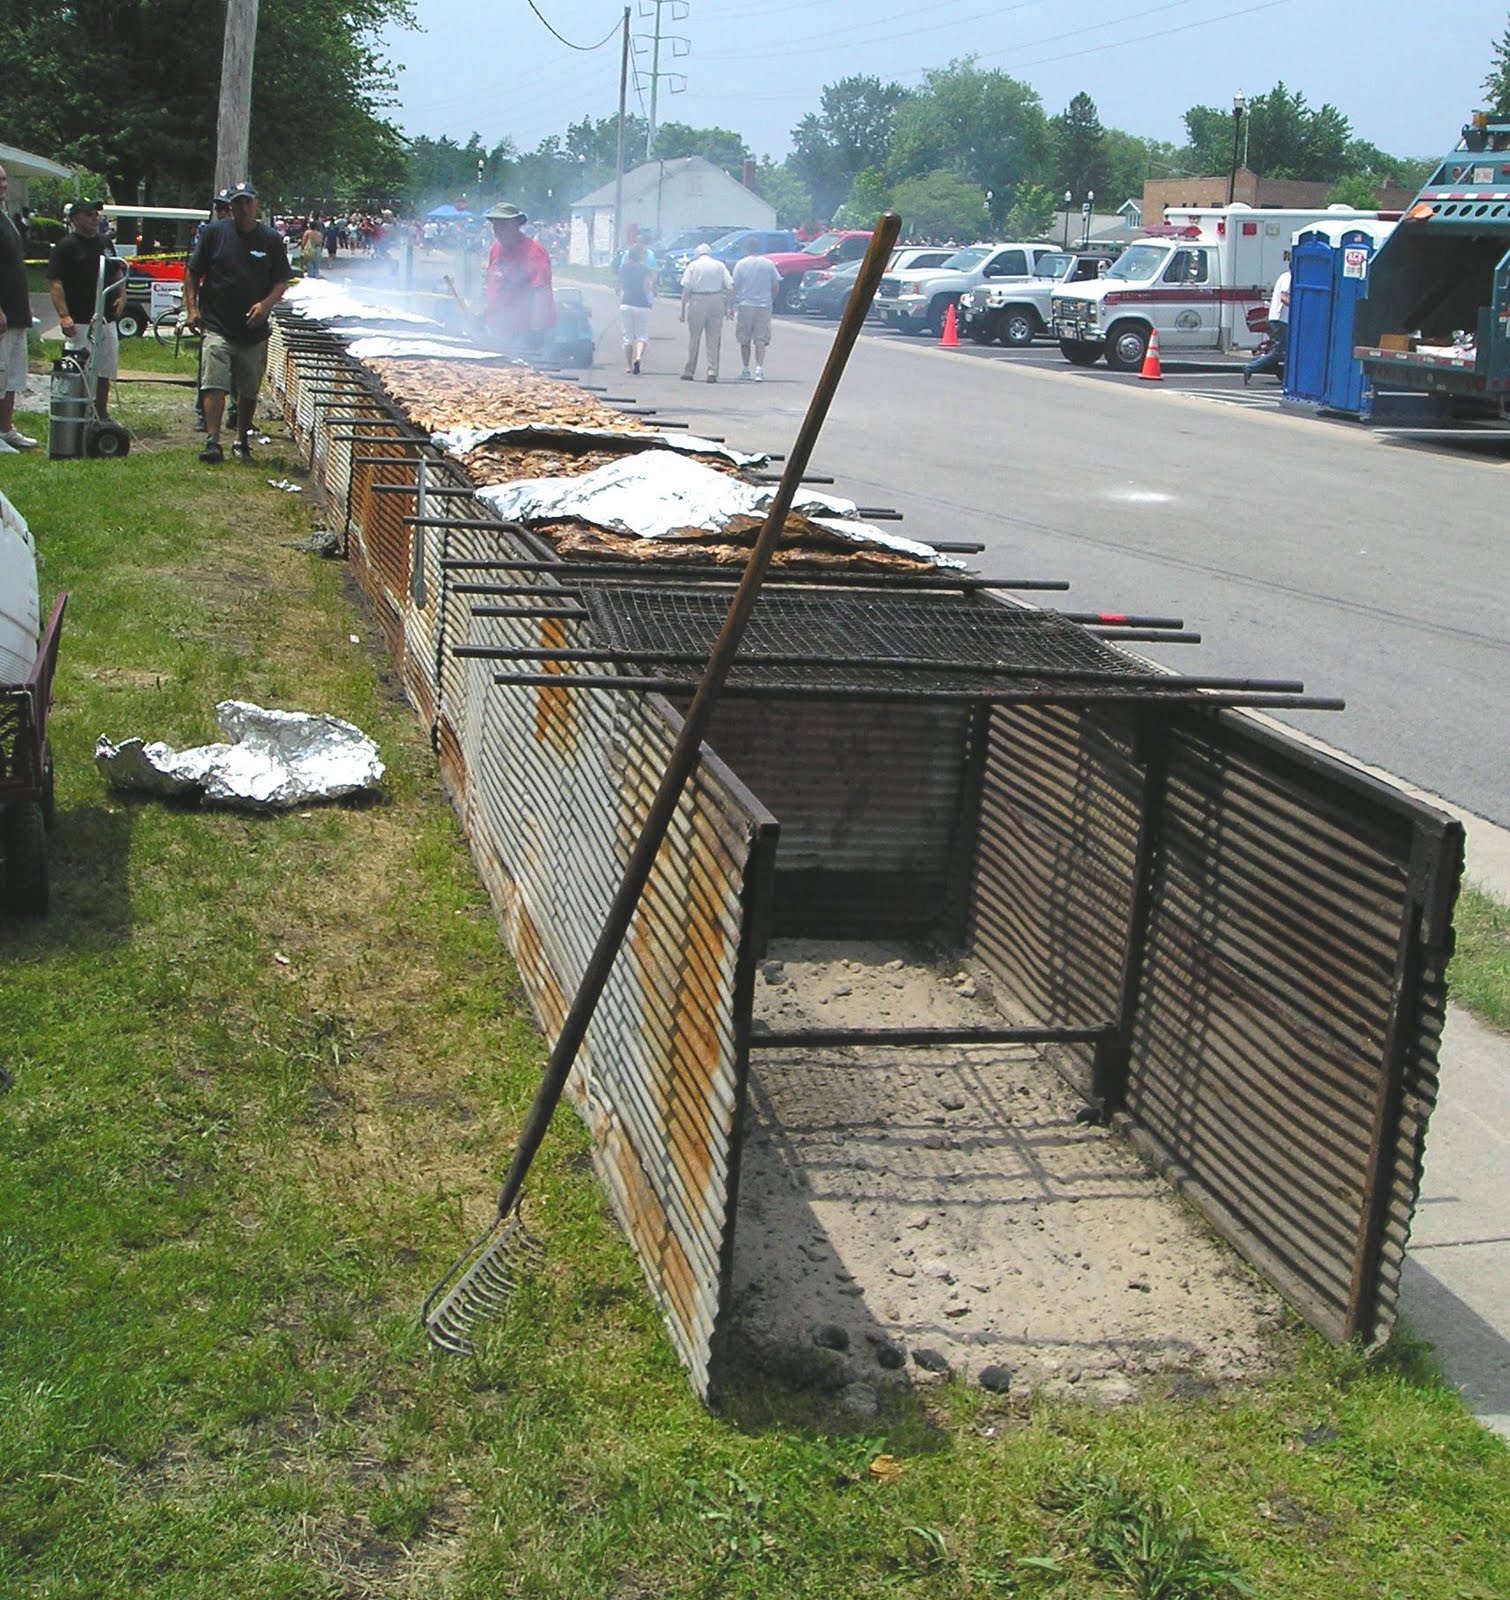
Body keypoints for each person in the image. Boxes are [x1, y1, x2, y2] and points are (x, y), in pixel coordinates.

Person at [182, 180, 291, 465]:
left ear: (256, 204)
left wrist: (265, 305)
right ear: (229, 207)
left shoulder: (270, 239)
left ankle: (241, 439)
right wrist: (192, 309)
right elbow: (192, 273)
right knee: (214, 382)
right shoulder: (215, 234)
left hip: (253, 330)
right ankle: (212, 440)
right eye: (237, 203)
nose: (242, 208)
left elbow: (282, 280)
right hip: (217, 323)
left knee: (248, 389)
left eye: (247, 202)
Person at [46, 198, 128, 423]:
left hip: (105, 319)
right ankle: (78, 412)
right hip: (79, 320)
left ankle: (99, 412)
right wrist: (64, 316)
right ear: (75, 219)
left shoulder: (105, 242)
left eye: (96, 213)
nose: (95, 217)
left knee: (105, 369)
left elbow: (116, 271)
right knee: (80, 370)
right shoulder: (65, 246)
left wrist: (122, 294)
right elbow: (55, 282)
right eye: (89, 213)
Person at [482, 201, 556, 353]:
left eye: (503, 225)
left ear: (516, 225)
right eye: (495, 225)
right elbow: (493, 286)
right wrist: (483, 315)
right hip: (499, 329)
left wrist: (536, 331)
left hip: (524, 331)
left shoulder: (534, 252)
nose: (498, 230)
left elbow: (541, 293)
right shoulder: (496, 248)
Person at [0, 163, 38, 451]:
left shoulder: (7, 218)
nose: (3, 185)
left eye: (4, 180)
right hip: (3, 315)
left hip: (17, 314)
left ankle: (5, 430)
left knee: (13, 377)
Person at [679, 242, 733, 383]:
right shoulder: (719, 265)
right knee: (714, 338)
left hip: (698, 299)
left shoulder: (693, 265)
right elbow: (730, 286)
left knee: (694, 337)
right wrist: (728, 306)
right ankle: (712, 370)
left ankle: (689, 370)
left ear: (698, 253)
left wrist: (683, 310)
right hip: (716, 299)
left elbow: (686, 289)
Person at [731, 234, 782, 383]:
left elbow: (735, 286)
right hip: (764, 305)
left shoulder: (741, 264)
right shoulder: (768, 264)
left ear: (746, 248)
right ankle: (759, 370)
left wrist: (731, 304)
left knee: (744, 339)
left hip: (746, 304)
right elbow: (775, 285)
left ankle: (746, 369)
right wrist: (771, 298)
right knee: (760, 339)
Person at [1244, 252, 1290, 387]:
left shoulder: (1284, 276)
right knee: (1279, 351)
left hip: (1279, 318)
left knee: (1282, 350)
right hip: (1281, 319)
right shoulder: (1289, 278)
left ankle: (1283, 374)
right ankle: (1251, 367)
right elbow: (1283, 297)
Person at [617, 243, 654, 375]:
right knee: (641, 336)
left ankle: (628, 366)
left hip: (626, 303)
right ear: (640, 256)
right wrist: (650, 300)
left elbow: (618, 284)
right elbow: (647, 286)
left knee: (628, 336)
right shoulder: (644, 269)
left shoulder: (623, 268)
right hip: (641, 304)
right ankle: (638, 358)